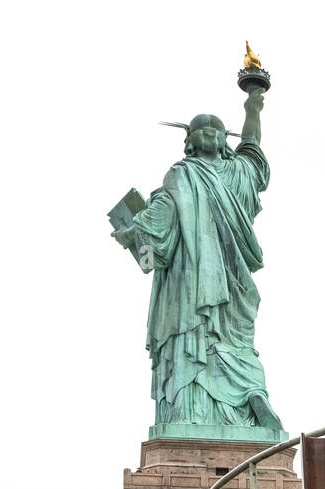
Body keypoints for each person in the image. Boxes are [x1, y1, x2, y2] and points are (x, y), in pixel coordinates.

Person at [111, 87, 284, 435]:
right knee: (218, 339)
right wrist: (138, 229)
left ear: (223, 140)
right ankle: (240, 397)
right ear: (189, 140)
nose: (209, 133)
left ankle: (229, 401)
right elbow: (161, 217)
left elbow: (251, 145)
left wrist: (254, 104)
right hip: (199, 276)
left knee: (220, 337)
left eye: (215, 129)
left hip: (217, 279)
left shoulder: (224, 173)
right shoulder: (187, 175)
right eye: (202, 129)